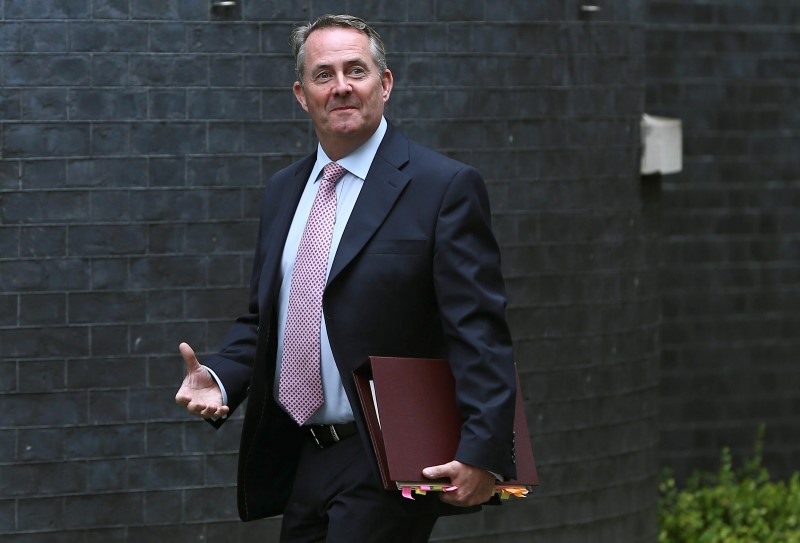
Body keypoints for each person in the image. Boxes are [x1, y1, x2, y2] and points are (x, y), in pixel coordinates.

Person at [175, 14, 518, 542]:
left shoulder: (443, 187)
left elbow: (479, 332)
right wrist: (220, 377)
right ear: (300, 93)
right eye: (323, 74)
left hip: (387, 451)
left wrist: (483, 451)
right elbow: (272, 318)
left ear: (385, 83)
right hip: (302, 451)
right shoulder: (284, 191)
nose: (341, 87)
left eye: (355, 71)